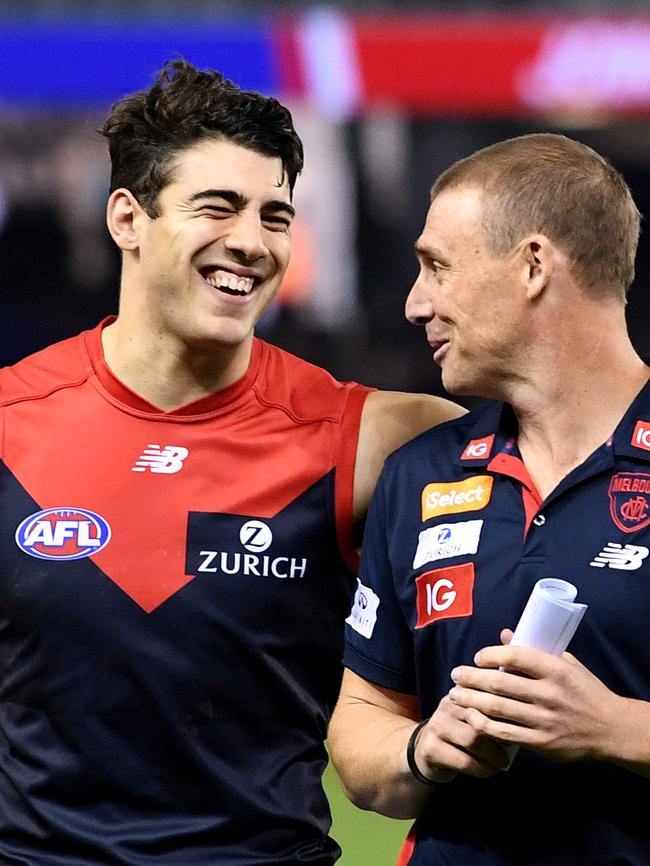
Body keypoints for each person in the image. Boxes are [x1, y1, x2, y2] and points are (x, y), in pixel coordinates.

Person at [0, 59, 463, 866]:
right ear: (126, 219)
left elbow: (578, 459)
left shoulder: (374, 437)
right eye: (217, 208)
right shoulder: (10, 422)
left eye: (275, 216)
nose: (250, 243)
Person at [328, 132, 650, 866]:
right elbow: (362, 722)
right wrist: (421, 751)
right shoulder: (421, 475)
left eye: (437, 266)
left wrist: (615, 728)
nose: (416, 304)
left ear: (533, 265)